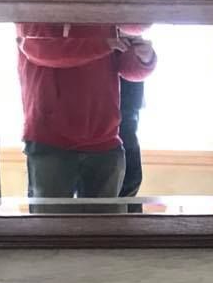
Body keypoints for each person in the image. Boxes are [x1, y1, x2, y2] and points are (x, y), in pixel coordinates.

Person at [16, 23, 156, 203]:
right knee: (50, 226)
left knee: (104, 225)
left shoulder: (105, 13)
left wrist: (144, 57)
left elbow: (127, 68)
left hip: (105, 139)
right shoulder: (35, 4)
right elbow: (39, 49)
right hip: (49, 140)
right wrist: (104, 44)